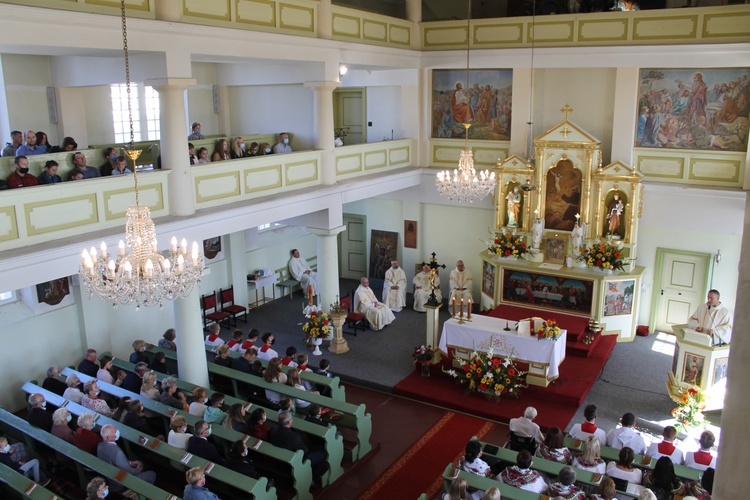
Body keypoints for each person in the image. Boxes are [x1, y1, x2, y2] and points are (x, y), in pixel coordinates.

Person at [269, 411, 327, 487]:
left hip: (280, 458)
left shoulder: (273, 430)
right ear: (289, 422)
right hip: (295, 461)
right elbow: (305, 450)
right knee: (323, 454)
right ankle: (315, 479)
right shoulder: (293, 436)